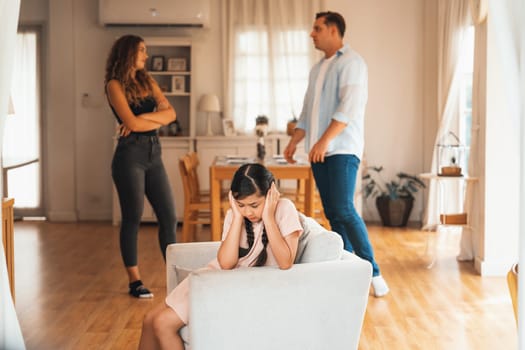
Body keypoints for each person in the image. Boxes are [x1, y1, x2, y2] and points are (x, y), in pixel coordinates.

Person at [138, 163, 303, 350]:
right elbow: (225, 263)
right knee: (149, 319)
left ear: (271, 194)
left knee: (162, 323)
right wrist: (237, 216)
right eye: (241, 205)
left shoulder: (284, 209)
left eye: (254, 205)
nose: (248, 212)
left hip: (237, 285)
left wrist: (268, 216)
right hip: (216, 276)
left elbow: (286, 262)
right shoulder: (237, 215)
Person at [283, 11, 389, 297]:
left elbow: (349, 107)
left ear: (333, 30)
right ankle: (349, 268)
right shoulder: (317, 69)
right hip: (320, 151)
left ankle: (373, 271)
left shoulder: (353, 63)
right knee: (332, 212)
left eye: (317, 28)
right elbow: (307, 112)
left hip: (342, 149)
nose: (312, 34)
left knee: (343, 209)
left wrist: (324, 141)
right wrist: (295, 141)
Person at [105, 35, 177, 298]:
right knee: (133, 218)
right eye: (142, 51)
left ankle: (175, 276)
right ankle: (135, 281)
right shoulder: (114, 85)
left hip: (153, 154)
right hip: (129, 157)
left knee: (169, 216)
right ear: (128, 54)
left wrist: (144, 117)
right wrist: (148, 120)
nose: (146, 56)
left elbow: (171, 113)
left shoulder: (147, 80)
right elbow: (132, 126)